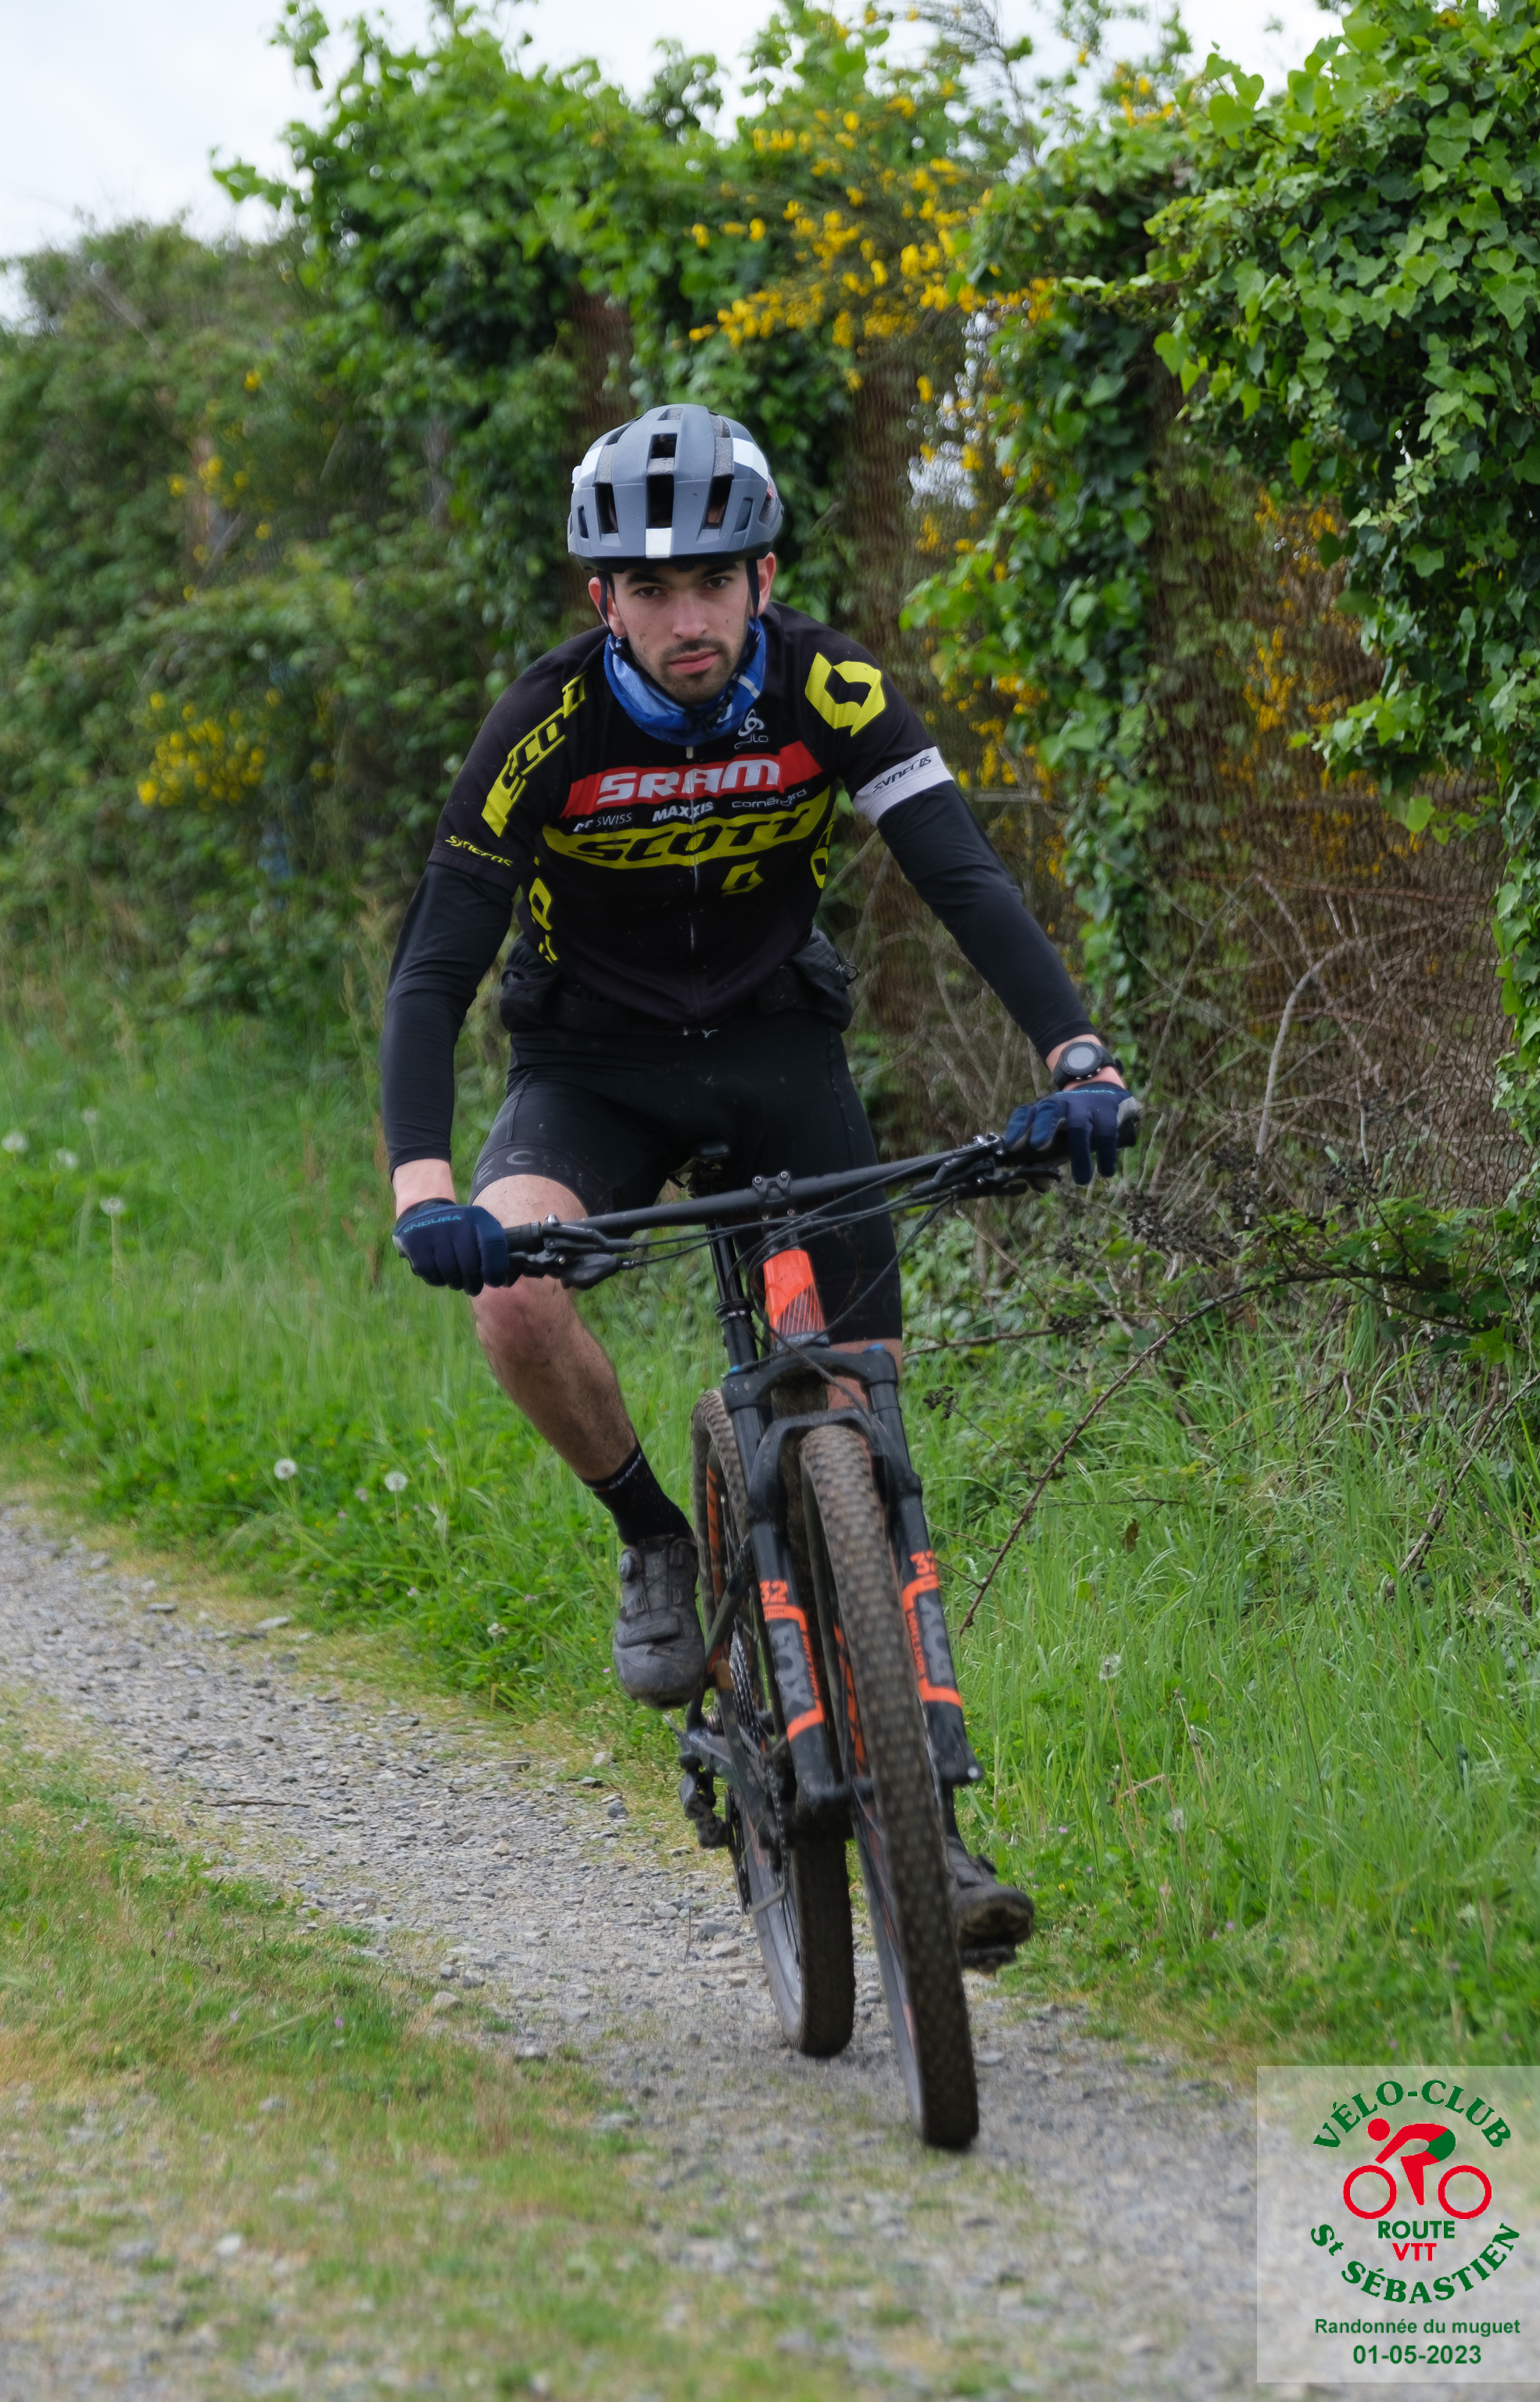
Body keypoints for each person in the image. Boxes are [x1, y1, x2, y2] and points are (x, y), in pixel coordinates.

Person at [380, 402, 1137, 1956]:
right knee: (514, 1302)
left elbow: (960, 875)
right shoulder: (542, 727)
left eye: (714, 583)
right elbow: (434, 967)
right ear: (603, 600)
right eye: (651, 590)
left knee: (863, 1421)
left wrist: (1076, 1058)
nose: (688, 620)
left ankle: (934, 1821)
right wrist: (423, 1189)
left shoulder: (826, 688)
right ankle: (655, 1538)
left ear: (764, 579)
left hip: (779, 1052)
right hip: (588, 1071)